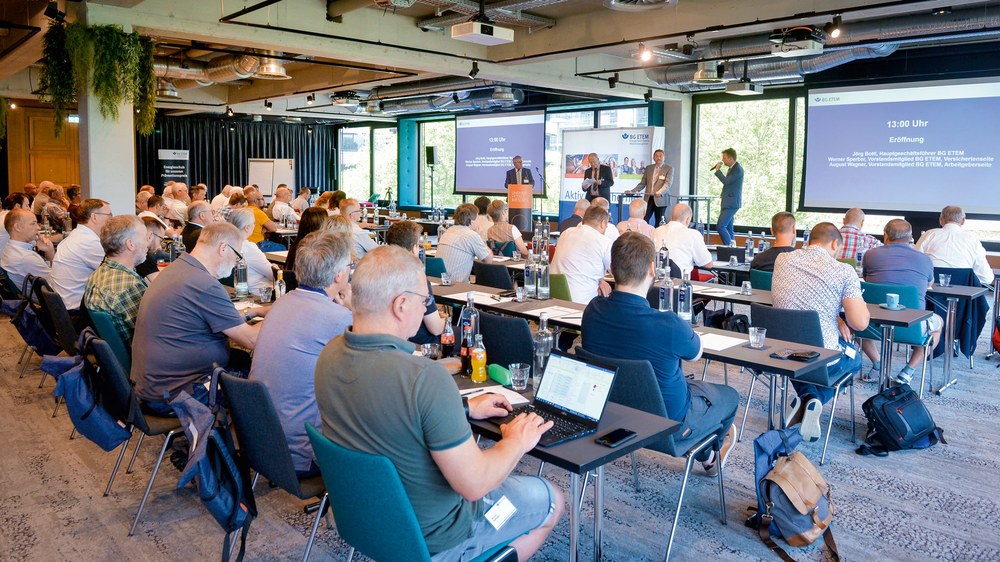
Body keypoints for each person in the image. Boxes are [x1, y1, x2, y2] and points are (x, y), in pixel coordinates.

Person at [314, 245, 563, 561]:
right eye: (425, 301)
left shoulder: (330, 355)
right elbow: (475, 485)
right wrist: (516, 442)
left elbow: (389, 414)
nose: (428, 310)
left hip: (366, 519)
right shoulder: (425, 377)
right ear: (401, 305)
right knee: (553, 499)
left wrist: (464, 408)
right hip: (439, 536)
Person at [582, 232, 737, 473]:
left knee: (682, 381)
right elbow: (695, 354)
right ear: (653, 270)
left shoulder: (592, 311)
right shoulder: (670, 325)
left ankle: (705, 453)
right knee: (729, 396)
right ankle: (708, 454)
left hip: (611, 414)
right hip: (667, 424)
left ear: (611, 269)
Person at [132, 222, 267, 414]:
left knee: (243, 362)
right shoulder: (204, 283)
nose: (237, 262)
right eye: (237, 256)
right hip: (180, 393)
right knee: (265, 385)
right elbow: (251, 340)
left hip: (156, 385)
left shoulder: (178, 268)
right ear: (223, 249)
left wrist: (253, 313)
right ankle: (236, 442)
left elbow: (209, 317)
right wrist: (279, 313)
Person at [250, 230, 353, 475]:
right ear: (339, 274)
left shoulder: (281, 303)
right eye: (350, 265)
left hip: (261, 442)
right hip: (302, 453)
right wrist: (351, 309)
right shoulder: (339, 318)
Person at [772, 223, 869, 442]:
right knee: (854, 359)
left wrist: (835, 317)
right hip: (820, 355)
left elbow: (803, 296)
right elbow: (860, 323)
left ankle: (805, 399)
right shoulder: (844, 270)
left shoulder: (783, 259)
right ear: (835, 243)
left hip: (781, 351)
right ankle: (812, 399)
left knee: (800, 363)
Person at [860, 219, 944, 385]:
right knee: (938, 324)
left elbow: (866, 277)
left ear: (885, 236)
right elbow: (929, 283)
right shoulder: (924, 259)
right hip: (912, 328)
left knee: (855, 320)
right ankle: (908, 371)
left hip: (872, 326)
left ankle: (878, 364)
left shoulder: (870, 255)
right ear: (911, 237)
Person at [82, 216, 150, 345]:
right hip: (141, 360)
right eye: (145, 237)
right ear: (130, 244)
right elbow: (154, 333)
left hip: (115, 358)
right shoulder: (129, 287)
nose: (148, 243)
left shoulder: (98, 274)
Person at [386, 220, 446, 345]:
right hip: (423, 343)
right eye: (418, 245)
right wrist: (447, 321)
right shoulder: (418, 279)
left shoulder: (379, 274)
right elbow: (436, 329)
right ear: (413, 248)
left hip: (390, 340)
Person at [50, 199, 112, 310]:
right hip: (78, 312)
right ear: (94, 217)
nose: (111, 220)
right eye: (109, 215)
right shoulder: (89, 242)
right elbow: (115, 273)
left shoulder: (77, 235)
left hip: (66, 306)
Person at [916, 205, 994, 286]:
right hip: (963, 295)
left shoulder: (929, 234)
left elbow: (915, 261)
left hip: (929, 293)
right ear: (963, 221)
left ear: (940, 220)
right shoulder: (973, 240)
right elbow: (986, 278)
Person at [550, 206, 612, 304]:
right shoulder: (604, 242)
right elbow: (620, 275)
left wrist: (599, 281)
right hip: (581, 305)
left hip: (554, 299)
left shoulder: (566, 233)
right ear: (603, 223)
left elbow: (575, 267)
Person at [436, 203, 493, 283]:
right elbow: (489, 260)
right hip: (456, 286)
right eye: (477, 218)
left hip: (437, 282)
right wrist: (480, 237)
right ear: (472, 222)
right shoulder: (471, 235)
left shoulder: (448, 231)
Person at [652, 204, 713, 275]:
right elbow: (708, 264)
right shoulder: (693, 234)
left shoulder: (656, 231)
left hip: (656, 280)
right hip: (680, 281)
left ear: (671, 217)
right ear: (688, 219)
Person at [1, 208, 54, 288]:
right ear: (18, 227)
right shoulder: (26, 258)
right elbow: (55, 284)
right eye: (33, 224)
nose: (38, 228)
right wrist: (51, 252)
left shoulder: (10, 248)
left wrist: (49, 252)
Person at [228, 209, 278, 293]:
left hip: (234, 290)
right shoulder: (248, 248)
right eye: (254, 223)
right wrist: (274, 267)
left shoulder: (225, 243)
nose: (254, 225)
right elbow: (273, 275)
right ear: (247, 228)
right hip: (258, 293)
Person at [627, 149, 672, 226]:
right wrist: (633, 191)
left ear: (664, 157)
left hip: (661, 199)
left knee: (659, 222)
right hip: (648, 198)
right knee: (644, 219)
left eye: (660, 156)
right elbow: (642, 183)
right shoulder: (649, 168)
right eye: (656, 156)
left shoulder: (669, 168)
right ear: (653, 158)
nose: (658, 158)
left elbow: (667, 184)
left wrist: (660, 192)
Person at [712, 148, 743, 246]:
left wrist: (717, 170)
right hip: (727, 202)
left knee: (720, 226)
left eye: (724, 158)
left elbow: (726, 181)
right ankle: (733, 251)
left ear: (730, 158)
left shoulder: (737, 169)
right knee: (729, 229)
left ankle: (730, 248)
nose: (722, 160)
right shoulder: (732, 168)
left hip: (732, 203)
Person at [135, 216, 169, 280]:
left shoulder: (134, 250)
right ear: (150, 235)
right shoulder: (144, 257)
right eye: (160, 240)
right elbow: (160, 283)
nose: (160, 247)